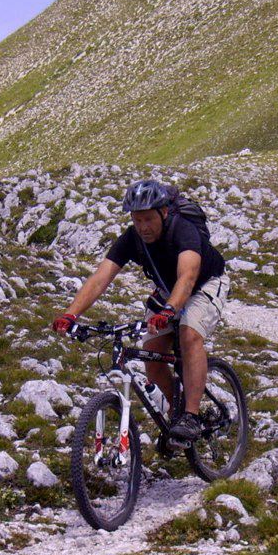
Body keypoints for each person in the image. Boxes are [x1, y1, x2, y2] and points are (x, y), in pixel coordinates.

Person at [52, 179, 229, 443]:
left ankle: (191, 416)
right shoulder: (132, 239)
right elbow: (101, 278)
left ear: (164, 212)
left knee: (189, 333)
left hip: (205, 284)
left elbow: (188, 277)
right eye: (137, 220)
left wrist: (170, 310)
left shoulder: (183, 230)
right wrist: (70, 314)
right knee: (153, 356)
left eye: (148, 219)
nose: (143, 227)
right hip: (168, 291)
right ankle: (177, 416)